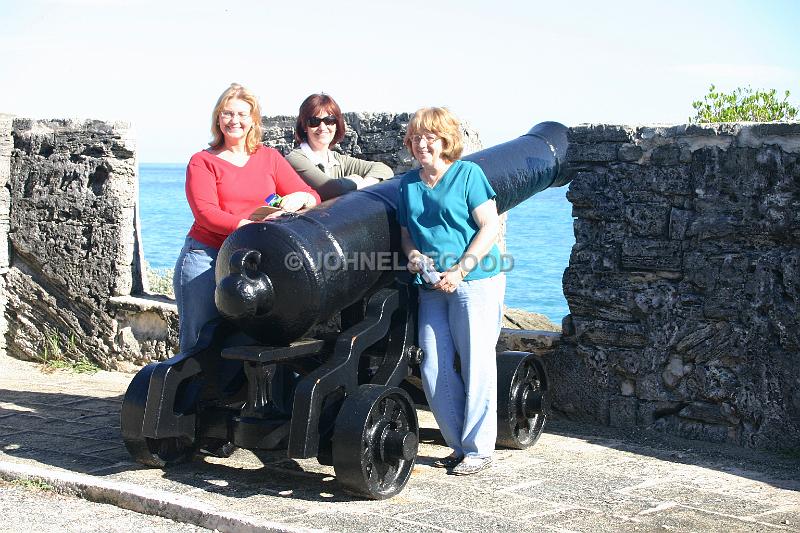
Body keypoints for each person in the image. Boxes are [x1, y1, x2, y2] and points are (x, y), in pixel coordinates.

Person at [397, 107, 505, 476]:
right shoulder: (408, 183)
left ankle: (478, 449)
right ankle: (458, 444)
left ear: (446, 141)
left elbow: (488, 226)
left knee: (476, 361)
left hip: (473, 279)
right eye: (416, 137)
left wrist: (461, 270)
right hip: (430, 283)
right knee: (433, 364)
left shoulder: (467, 174)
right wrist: (412, 255)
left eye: (430, 137)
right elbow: (407, 231)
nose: (422, 144)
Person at [174, 83, 320, 353]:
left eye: (242, 115)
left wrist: (302, 199)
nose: (235, 121)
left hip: (253, 259)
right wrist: (250, 229)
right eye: (228, 114)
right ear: (218, 119)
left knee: (249, 339)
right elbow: (206, 214)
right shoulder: (203, 161)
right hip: (207, 255)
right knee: (199, 342)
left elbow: (311, 194)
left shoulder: (268, 158)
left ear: (253, 120)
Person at [285, 93, 393, 201]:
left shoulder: (337, 160)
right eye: (314, 121)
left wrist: (363, 185)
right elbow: (331, 189)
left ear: (336, 125)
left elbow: (383, 169)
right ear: (304, 126)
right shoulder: (295, 159)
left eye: (329, 121)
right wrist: (355, 179)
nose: (322, 127)